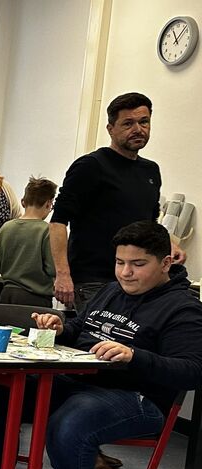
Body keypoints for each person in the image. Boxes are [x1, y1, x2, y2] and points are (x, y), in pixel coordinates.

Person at [0, 221, 202, 469]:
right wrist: (60, 327)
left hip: (140, 400)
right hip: (81, 383)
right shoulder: (110, 291)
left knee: (75, 413)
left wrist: (135, 355)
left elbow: (192, 370)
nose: (126, 273)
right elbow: (81, 328)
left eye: (138, 264)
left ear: (165, 263)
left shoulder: (184, 308)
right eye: (120, 263)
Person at [50, 92, 186, 314]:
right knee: (96, 342)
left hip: (138, 281)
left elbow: (149, 224)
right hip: (93, 280)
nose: (138, 129)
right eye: (128, 123)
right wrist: (63, 274)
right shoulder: (90, 166)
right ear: (111, 129)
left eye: (144, 122)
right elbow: (57, 222)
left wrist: (170, 244)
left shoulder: (150, 170)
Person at [0, 177, 58, 307]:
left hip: (6, 294)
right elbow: (52, 269)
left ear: (23, 202)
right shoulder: (47, 230)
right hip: (35, 299)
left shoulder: (6, 227)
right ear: (48, 204)